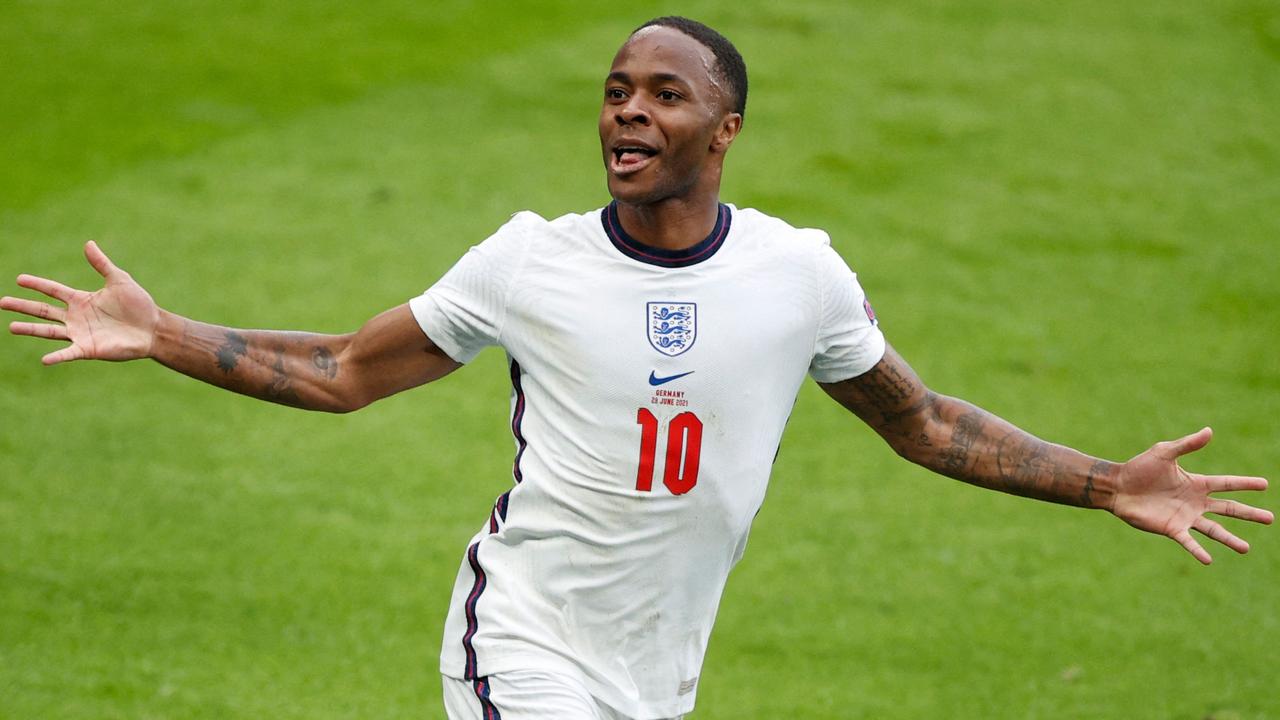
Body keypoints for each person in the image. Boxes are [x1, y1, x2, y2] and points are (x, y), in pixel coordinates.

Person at [3, 16, 1272, 720]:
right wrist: (161, 334)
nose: (626, 111)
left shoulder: (799, 277)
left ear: (721, 132)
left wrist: (1110, 484)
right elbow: (343, 369)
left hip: (656, 670)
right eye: (615, 90)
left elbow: (925, 423)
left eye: (661, 95)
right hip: (522, 642)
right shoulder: (527, 264)